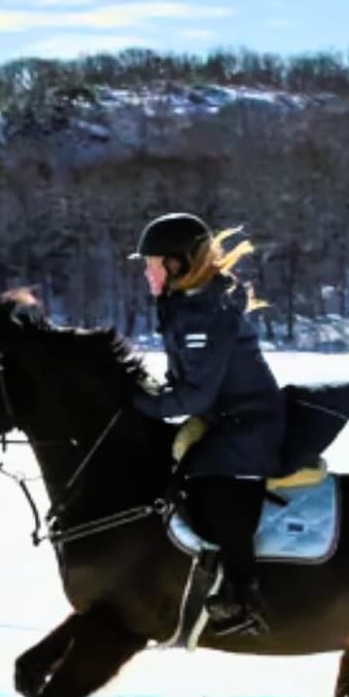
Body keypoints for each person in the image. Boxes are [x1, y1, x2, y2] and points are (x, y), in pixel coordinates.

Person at [127, 212, 284, 637]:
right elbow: (186, 384)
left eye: (153, 263)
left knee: (211, 483)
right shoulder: (186, 304)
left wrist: (134, 401)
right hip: (223, 417)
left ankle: (242, 594)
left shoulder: (203, 313)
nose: (147, 271)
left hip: (248, 425)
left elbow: (195, 395)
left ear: (177, 263)